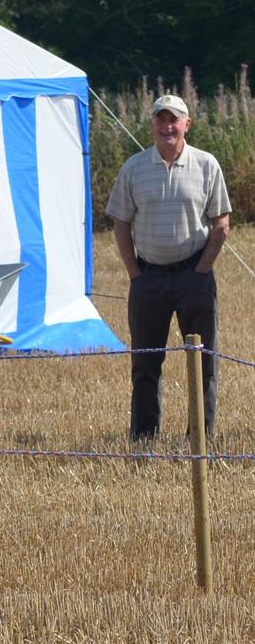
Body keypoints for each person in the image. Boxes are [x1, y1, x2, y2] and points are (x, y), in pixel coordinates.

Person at [106, 94, 231, 441]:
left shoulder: (207, 165)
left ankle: (199, 439)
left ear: (187, 124)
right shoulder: (134, 168)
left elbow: (221, 223)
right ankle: (144, 439)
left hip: (195, 277)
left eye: (174, 119)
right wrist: (135, 274)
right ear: (153, 126)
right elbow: (120, 224)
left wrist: (201, 270)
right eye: (161, 120)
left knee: (204, 363)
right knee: (145, 364)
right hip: (149, 279)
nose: (168, 126)